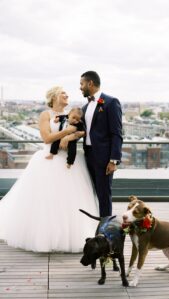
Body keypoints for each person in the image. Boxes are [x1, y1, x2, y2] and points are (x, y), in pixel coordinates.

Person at [0, 86, 98, 252]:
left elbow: (83, 131)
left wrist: (72, 135)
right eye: (63, 93)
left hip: (70, 161)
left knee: (70, 201)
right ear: (54, 97)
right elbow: (46, 138)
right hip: (49, 159)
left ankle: (72, 236)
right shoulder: (45, 115)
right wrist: (66, 131)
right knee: (47, 201)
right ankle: (46, 237)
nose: (67, 95)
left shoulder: (74, 113)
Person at [80, 71, 123, 217]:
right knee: (91, 194)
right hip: (87, 157)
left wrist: (113, 160)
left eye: (82, 84)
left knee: (104, 195)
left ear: (90, 83)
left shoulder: (111, 102)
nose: (80, 87)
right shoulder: (85, 108)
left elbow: (116, 133)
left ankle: (105, 233)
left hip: (104, 159)